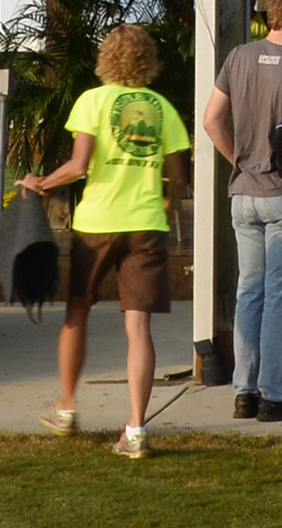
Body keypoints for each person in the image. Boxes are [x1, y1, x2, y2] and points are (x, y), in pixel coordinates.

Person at [15, 24, 187, 459]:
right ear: (148, 60)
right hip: (146, 224)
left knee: (78, 312)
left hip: (98, 223)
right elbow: (178, 181)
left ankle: (68, 408)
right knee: (139, 327)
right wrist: (162, 210)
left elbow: (78, 165)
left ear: (105, 59)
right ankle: (135, 430)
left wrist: (41, 182)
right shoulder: (163, 108)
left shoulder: (92, 101)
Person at [199, 0, 282, 422]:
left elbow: (211, 120)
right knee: (280, 298)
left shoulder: (238, 56)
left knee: (248, 292)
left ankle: (245, 390)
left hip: (244, 192)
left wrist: (240, 159)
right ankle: (275, 393)